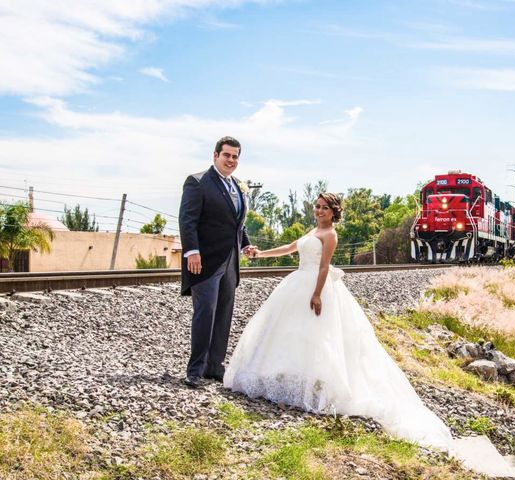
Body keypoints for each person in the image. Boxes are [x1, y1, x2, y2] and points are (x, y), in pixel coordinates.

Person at [224, 193, 453, 452]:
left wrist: (317, 293)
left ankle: (317, 384)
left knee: (318, 336)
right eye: (317, 206)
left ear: (334, 212)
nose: (319, 211)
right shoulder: (314, 229)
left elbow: (323, 267)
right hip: (297, 282)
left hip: (315, 287)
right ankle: (294, 376)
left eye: (324, 208)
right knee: (292, 334)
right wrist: (260, 254)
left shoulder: (330, 235)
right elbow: (290, 248)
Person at [179, 136, 256, 389]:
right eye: (227, 155)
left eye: (235, 156)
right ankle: (195, 369)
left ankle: (215, 367)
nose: (231, 160)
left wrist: (245, 244)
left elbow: (237, 223)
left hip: (231, 262)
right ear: (215, 156)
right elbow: (188, 220)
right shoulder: (198, 182)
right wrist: (192, 251)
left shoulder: (238, 186)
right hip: (205, 261)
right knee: (205, 313)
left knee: (224, 314)